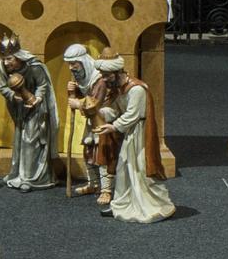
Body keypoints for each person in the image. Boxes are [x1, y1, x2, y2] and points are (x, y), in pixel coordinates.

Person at [93, 55, 176, 224]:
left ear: (117, 72)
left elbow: (132, 115)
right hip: (130, 134)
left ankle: (153, 204)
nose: (104, 79)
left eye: (106, 75)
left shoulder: (136, 89)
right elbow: (115, 111)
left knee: (140, 169)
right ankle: (121, 204)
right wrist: (97, 112)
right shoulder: (118, 89)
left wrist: (113, 127)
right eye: (102, 75)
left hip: (140, 135)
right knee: (124, 169)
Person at [0, 41, 58, 192]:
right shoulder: (2, 67)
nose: (6, 62)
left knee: (32, 140)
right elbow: (3, 86)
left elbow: (43, 85)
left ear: (18, 57)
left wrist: (36, 99)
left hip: (37, 108)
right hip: (20, 108)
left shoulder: (34, 66)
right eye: (4, 58)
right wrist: (13, 96)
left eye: (9, 58)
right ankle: (17, 173)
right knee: (19, 140)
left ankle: (30, 179)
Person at [61, 42, 108, 203]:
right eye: (69, 64)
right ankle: (93, 184)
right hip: (92, 123)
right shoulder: (85, 78)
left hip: (103, 121)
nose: (71, 68)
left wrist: (78, 103)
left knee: (101, 155)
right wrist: (72, 91)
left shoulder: (100, 79)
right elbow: (85, 92)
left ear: (83, 61)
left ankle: (107, 189)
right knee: (88, 153)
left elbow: (96, 103)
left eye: (73, 64)